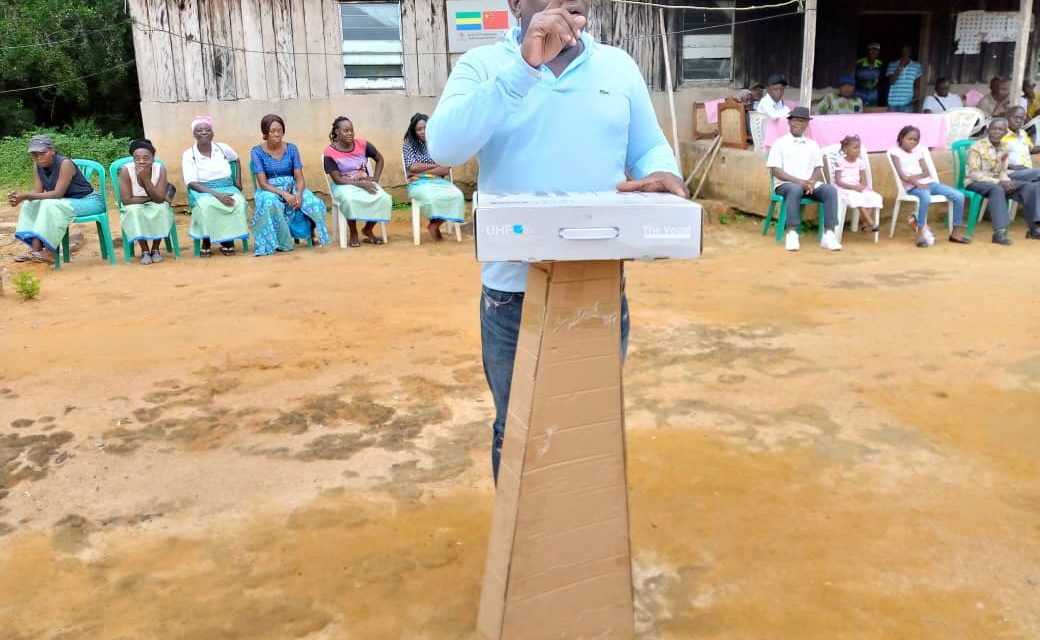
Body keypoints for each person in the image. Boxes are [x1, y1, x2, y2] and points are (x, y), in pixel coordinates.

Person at [425, 0, 687, 481]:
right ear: (515, 3)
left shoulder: (618, 65)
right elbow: (443, 147)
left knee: (588, 423)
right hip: (513, 295)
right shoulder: (483, 65)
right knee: (518, 426)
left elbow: (647, 146)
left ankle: (577, 539)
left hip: (598, 284)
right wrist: (525, 66)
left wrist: (662, 172)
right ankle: (520, 552)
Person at [9, 135, 106, 263]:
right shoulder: (37, 166)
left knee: (50, 204)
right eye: (35, 154)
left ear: (52, 150)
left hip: (89, 201)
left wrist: (25, 195)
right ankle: (35, 250)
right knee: (30, 204)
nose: (39, 157)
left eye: (42, 153)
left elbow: (57, 194)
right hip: (64, 202)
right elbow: (37, 192)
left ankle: (50, 252)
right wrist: (20, 198)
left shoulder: (65, 164)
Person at [765, 107, 842, 252]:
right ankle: (792, 233)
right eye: (794, 120)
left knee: (830, 190)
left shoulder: (812, 145)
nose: (797, 124)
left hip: (808, 185)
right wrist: (799, 182)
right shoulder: (779, 144)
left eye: (801, 121)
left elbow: (818, 168)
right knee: (794, 189)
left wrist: (812, 182)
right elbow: (776, 170)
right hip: (785, 184)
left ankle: (829, 235)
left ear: (807, 124)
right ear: (789, 123)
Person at [250, 114, 329, 255]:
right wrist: (285, 194)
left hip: (292, 187)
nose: (277, 134)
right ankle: (279, 242)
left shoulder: (292, 149)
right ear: (265, 133)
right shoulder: (257, 152)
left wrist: (298, 194)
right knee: (269, 201)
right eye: (272, 131)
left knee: (313, 202)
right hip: (270, 190)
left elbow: (299, 177)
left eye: (279, 130)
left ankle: (312, 233)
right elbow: (262, 183)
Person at [182, 116, 249, 257]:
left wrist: (238, 181)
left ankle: (227, 240)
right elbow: (192, 183)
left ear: (213, 133)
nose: (204, 132)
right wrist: (217, 195)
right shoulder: (189, 154)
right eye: (199, 130)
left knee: (238, 202)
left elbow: (235, 160)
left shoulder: (223, 148)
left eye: (207, 129)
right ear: (194, 134)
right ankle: (206, 240)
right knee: (207, 205)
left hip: (227, 186)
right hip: (202, 189)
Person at [889, 125, 967, 246]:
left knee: (958, 195)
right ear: (901, 137)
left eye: (915, 140)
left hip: (928, 183)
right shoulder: (895, 152)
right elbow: (902, 175)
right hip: (912, 187)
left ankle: (955, 232)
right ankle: (920, 232)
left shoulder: (918, 152)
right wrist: (916, 182)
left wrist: (915, 178)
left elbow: (926, 172)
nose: (912, 142)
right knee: (925, 197)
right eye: (909, 139)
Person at [965, 117, 1040, 243]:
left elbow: (1002, 171)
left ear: (1005, 133)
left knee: (1031, 187)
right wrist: (1000, 182)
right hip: (975, 182)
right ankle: (999, 233)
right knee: (998, 189)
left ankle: (1035, 228)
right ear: (988, 130)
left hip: (997, 181)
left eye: (1000, 130)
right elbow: (973, 174)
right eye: (994, 129)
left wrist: (1006, 180)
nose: (997, 132)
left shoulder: (1004, 147)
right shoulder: (976, 147)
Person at [323, 116, 392, 247]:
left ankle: (368, 229)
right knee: (349, 199)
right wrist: (361, 184)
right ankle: (353, 232)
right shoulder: (329, 152)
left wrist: (375, 178)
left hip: (364, 182)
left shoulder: (363, 145)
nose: (350, 133)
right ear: (337, 132)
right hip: (343, 185)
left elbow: (380, 159)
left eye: (351, 130)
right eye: (346, 130)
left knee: (384, 198)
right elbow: (337, 180)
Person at [402, 113, 465, 242]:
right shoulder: (409, 144)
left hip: (439, 181)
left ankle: (435, 224)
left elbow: (446, 168)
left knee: (457, 196)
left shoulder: (438, 143)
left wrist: (422, 171)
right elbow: (412, 167)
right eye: (418, 129)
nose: (422, 132)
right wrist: (434, 166)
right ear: (414, 131)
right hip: (418, 183)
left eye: (425, 128)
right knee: (431, 197)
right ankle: (434, 225)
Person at [117, 138, 174, 265]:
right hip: (134, 204)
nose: (141, 161)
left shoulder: (160, 169)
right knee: (134, 211)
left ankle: (155, 249)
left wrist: (145, 179)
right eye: (137, 158)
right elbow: (126, 200)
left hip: (154, 202)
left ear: (153, 158)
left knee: (162, 208)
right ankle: (144, 250)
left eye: (146, 158)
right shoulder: (126, 170)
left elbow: (159, 200)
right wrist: (151, 198)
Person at [833, 135, 882, 232]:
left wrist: (862, 187)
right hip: (844, 188)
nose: (858, 150)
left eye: (859, 147)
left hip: (857, 187)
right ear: (845, 150)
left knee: (874, 197)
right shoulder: (840, 162)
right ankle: (871, 223)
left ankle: (864, 223)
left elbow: (863, 179)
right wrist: (853, 187)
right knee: (857, 198)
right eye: (855, 148)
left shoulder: (860, 162)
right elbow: (838, 181)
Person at [1002, 106, 1040, 184]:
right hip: (1010, 173)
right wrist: (1014, 167)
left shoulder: (1022, 133)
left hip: (1027, 173)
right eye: (1015, 117)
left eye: (1021, 119)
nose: (1018, 120)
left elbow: (1030, 149)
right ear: (1007, 117)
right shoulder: (1001, 134)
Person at [886, 45, 922, 113]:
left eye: (907, 51)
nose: (905, 53)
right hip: (893, 102)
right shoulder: (892, 64)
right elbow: (892, 81)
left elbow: (917, 83)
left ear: (910, 52)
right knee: (893, 123)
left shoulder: (916, 66)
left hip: (908, 102)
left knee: (906, 123)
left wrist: (916, 97)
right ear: (900, 52)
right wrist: (900, 65)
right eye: (903, 51)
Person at [854, 43, 884, 107]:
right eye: (871, 50)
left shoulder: (880, 64)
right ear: (868, 51)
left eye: (876, 50)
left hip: (873, 95)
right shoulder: (859, 63)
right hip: (860, 94)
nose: (873, 52)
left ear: (878, 52)